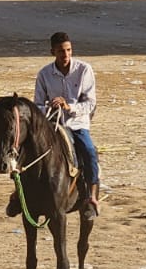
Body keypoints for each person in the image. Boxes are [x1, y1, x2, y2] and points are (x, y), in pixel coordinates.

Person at [34, 32, 100, 215]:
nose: (66, 55)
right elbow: (37, 104)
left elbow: (90, 103)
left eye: (69, 50)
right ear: (52, 52)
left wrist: (68, 106)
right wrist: (49, 107)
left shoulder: (84, 70)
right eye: (61, 51)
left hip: (77, 123)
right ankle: (21, 194)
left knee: (89, 152)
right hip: (51, 124)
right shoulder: (44, 74)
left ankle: (91, 196)